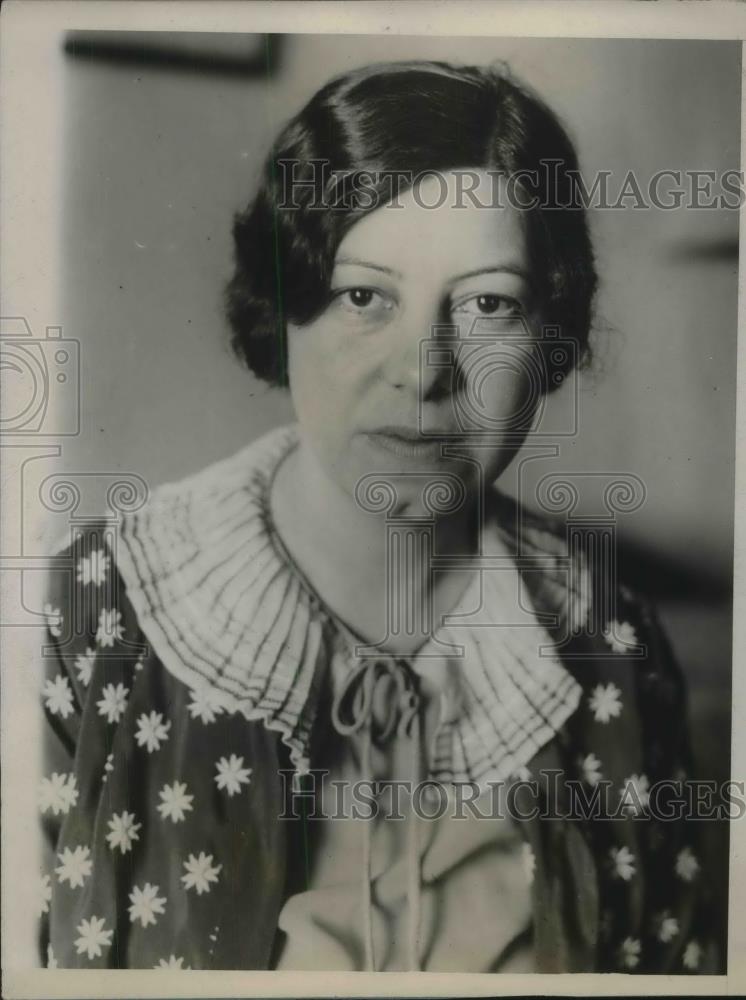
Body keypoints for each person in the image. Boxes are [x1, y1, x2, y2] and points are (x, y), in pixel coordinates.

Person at [38, 60, 719, 973]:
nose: (426, 369)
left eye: (488, 304)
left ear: (550, 339)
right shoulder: (90, 620)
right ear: (285, 310)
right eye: (365, 297)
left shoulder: (620, 655)